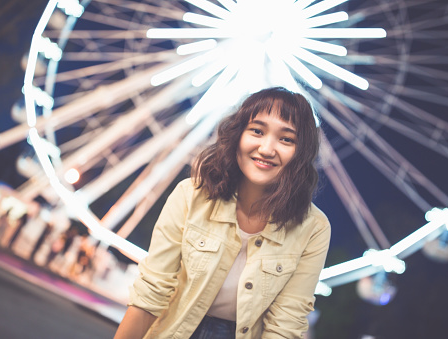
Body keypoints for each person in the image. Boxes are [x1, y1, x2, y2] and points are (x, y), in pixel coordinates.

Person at [114, 87, 331, 339]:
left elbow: (285, 324)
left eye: (286, 139)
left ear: (301, 153)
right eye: (257, 131)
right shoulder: (191, 195)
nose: (267, 149)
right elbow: (151, 292)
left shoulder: (314, 228)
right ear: (238, 135)